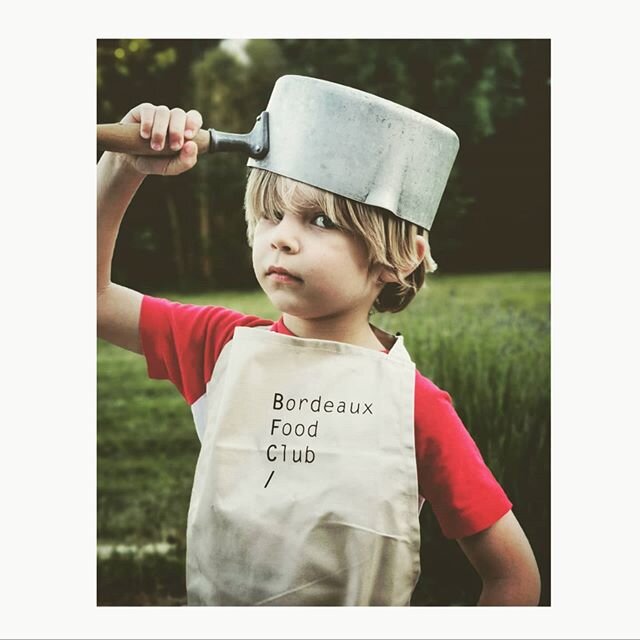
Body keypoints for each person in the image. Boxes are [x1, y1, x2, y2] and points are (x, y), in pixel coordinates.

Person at [97, 77, 541, 606]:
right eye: (271, 213)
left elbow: (513, 577)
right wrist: (122, 168)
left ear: (401, 255)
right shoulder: (220, 347)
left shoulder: (414, 406)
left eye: (321, 220)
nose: (281, 236)